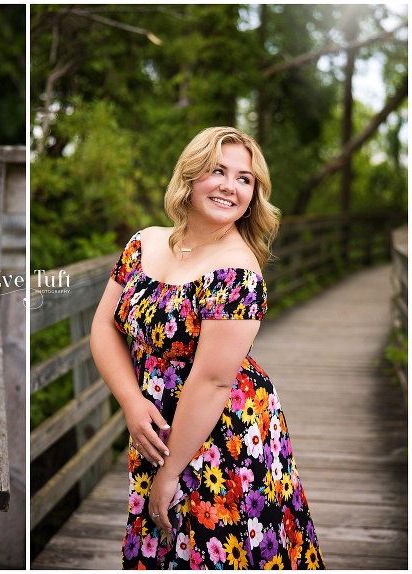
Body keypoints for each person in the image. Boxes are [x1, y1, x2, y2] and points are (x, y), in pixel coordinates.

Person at [90, 127, 326, 569]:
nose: (229, 186)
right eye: (218, 171)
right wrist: (131, 402)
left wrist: (171, 471)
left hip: (223, 437)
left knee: (218, 548)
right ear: (191, 175)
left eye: (244, 179)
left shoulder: (237, 271)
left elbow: (214, 381)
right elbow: (104, 326)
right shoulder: (144, 243)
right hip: (155, 424)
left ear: (254, 195)